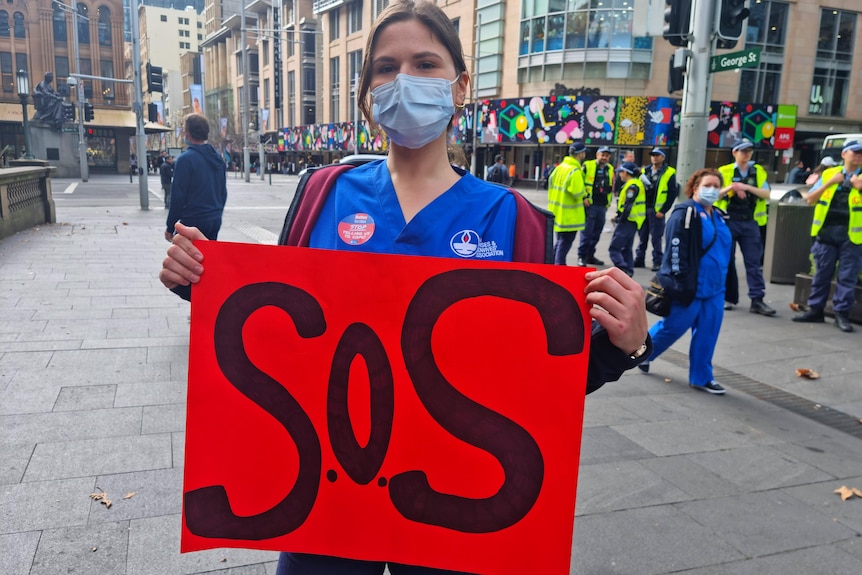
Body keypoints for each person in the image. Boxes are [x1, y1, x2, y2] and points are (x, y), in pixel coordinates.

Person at [160, 2, 650, 572]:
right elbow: (283, 343)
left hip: (455, 508)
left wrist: (623, 346)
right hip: (330, 505)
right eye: (387, 68)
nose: (405, 81)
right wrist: (202, 285)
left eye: (425, 63)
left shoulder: (514, 220)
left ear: (460, 86)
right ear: (368, 91)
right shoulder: (323, 193)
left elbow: (531, 392)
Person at [638, 168, 732, 394]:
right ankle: (642, 354)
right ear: (695, 187)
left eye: (716, 186)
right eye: (707, 185)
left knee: (708, 333)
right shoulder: (685, 213)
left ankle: (702, 377)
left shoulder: (719, 215)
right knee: (672, 328)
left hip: (715, 289)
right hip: (690, 287)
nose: (712, 190)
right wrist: (679, 281)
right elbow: (674, 251)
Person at [793, 140, 862, 333]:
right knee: (822, 273)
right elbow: (810, 199)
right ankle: (816, 309)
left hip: (852, 236)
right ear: (844, 154)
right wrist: (831, 182)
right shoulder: (829, 174)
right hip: (826, 232)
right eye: (854, 152)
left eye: (861, 154)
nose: (858, 156)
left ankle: (841, 314)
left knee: (847, 277)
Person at [164, 113, 227, 298]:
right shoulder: (218, 159)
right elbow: (223, 192)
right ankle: (208, 304)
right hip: (214, 218)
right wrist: (217, 211)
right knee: (207, 265)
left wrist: (170, 226)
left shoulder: (186, 159)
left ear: (188, 132)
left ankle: (200, 307)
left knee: (188, 268)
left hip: (193, 220)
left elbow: (178, 197)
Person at [716, 140, 776, 316]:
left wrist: (746, 187)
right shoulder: (724, 171)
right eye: (742, 151)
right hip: (729, 220)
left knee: (754, 262)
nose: (746, 154)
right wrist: (732, 188)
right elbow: (714, 194)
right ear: (734, 153)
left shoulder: (757, 171)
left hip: (750, 222)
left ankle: (757, 300)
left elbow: (766, 194)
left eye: (749, 151)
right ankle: (727, 297)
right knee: (726, 260)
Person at [635, 148, 678, 272]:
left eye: (657, 155)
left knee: (656, 238)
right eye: (653, 155)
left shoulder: (669, 172)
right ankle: (639, 259)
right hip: (643, 208)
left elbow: (672, 194)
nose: (654, 157)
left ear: (663, 157)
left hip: (656, 211)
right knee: (642, 236)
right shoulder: (645, 171)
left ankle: (657, 261)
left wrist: (663, 210)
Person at [548, 141, 588, 265]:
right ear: (580, 154)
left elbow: (550, 183)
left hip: (556, 211)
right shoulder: (574, 170)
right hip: (569, 215)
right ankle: (559, 267)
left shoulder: (559, 168)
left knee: (559, 241)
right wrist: (585, 195)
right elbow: (577, 192)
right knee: (565, 243)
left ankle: (552, 264)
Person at [577, 146, 614, 266]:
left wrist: (608, 203)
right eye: (602, 154)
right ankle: (581, 256)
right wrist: (584, 198)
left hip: (602, 205)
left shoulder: (610, 168)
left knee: (596, 233)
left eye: (607, 155)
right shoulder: (588, 166)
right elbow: (580, 183)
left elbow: (610, 187)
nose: (604, 157)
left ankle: (590, 255)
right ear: (597, 154)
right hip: (590, 205)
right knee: (587, 233)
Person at [608, 162, 646, 276]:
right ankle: (629, 271)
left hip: (628, 221)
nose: (620, 175)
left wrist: (621, 218)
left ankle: (622, 269)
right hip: (634, 221)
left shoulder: (632, 186)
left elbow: (628, 206)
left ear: (625, 172)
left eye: (620, 172)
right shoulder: (637, 183)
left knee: (614, 248)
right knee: (626, 248)